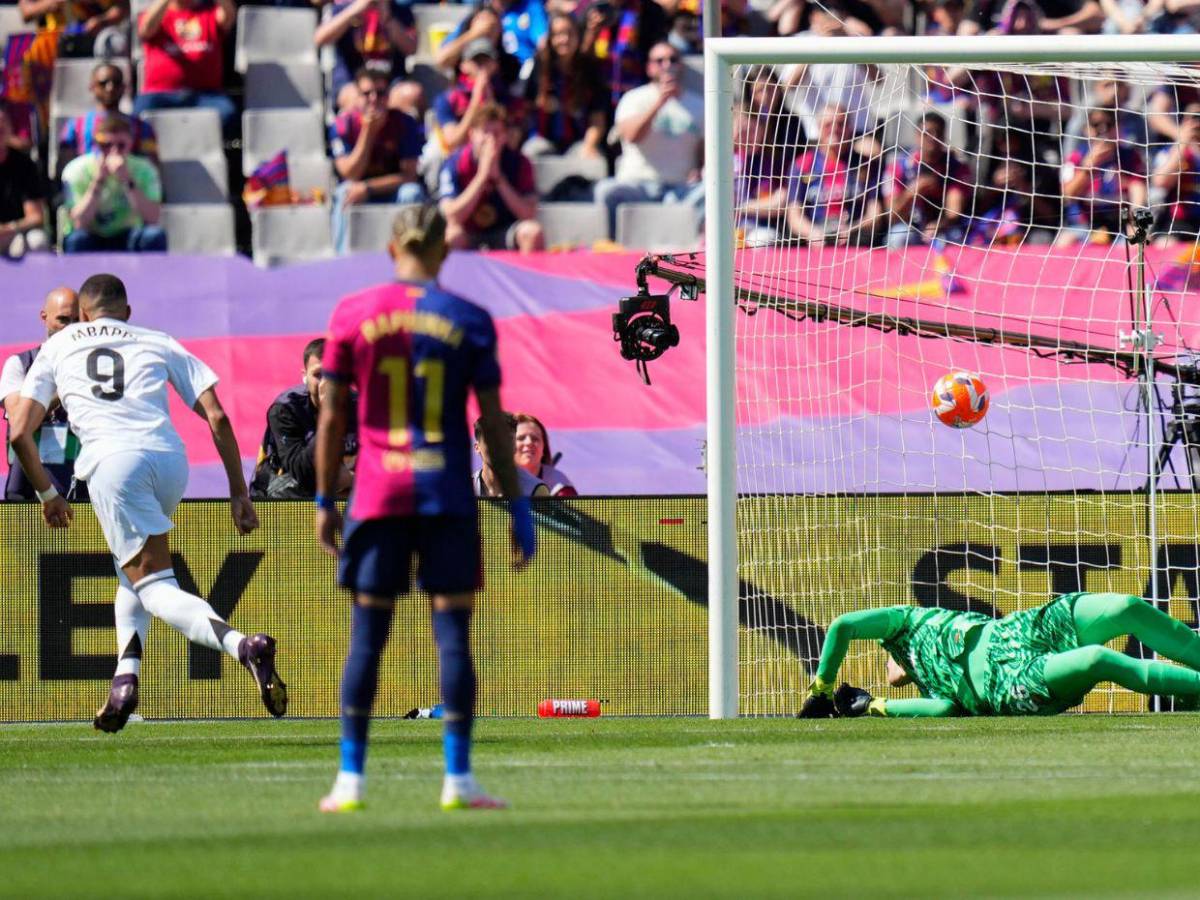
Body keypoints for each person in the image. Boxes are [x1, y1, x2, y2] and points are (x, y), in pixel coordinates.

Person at [313, 204, 537, 813]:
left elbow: (331, 417)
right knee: (453, 637)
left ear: (392, 249)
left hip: (377, 495)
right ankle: (458, 780)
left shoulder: (352, 314)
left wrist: (324, 500)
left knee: (367, 638)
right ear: (445, 250)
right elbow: (493, 423)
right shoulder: (470, 318)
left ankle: (350, 781)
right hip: (445, 495)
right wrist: (518, 507)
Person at [8, 273, 288, 733]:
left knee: (156, 587)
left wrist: (48, 493)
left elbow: (19, 432)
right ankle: (125, 679)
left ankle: (243, 646)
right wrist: (239, 491)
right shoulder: (156, 339)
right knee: (133, 572)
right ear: (128, 312)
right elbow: (217, 416)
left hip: (114, 464)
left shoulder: (59, 346)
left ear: (82, 314)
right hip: (169, 461)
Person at [799, 592, 1200, 718]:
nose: (887, 661)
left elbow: (843, 626)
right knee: (1098, 660)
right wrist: (874, 705)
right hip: (1006, 684)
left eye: (884, 655)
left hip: (1016, 631)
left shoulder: (904, 623)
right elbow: (943, 710)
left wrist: (821, 689)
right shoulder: (936, 691)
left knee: (1125, 607)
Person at [591, 42, 704, 237]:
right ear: (649, 68)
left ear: (681, 66)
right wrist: (660, 102)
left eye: (673, 60)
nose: (667, 65)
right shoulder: (633, 99)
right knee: (606, 190)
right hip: (637, 186)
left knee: (714, 192)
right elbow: (632, 136)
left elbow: (705, 151)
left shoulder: (700, 105)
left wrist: (700, 170)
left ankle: (699, 248)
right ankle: (613, 247)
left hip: (680, 190)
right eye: (660, 60)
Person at [1, 287, 87, 501]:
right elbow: (20, 420)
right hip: (26, 492)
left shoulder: (92, 369)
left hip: (81, 492)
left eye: (76, 321)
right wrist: (64, 388)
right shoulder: (20, 364)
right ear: (44, 317)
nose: (70, 328)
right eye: (63, 320)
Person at [330, 67, 426, 254]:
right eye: (367, 94)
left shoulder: (404, 123)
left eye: (380, 93)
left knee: (412, 193)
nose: (374, 99)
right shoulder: (343, 125)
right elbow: (350, 173)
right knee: (343, 193)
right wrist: (368, 132)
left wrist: (368, 187)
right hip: (356, 191)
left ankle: (413, 257)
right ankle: (341, 260)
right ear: (357, 97)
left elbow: (409, 176)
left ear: (388, 96)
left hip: (391, 190)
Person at [250, 338, 358, 499]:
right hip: (282, 488)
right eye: (318, 375)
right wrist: (328, 412)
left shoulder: (360, 406)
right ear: (305, 376)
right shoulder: (285, 409)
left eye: (333, 374)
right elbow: (302, 472)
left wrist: (351, 479)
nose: (326, 383)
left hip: (341, 484)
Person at [439, 102, 544, 252]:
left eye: (496, 133)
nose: (490, 140)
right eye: (485, 133)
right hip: (469, 232)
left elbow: (528, 213)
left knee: (532, 232)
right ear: (472, 134)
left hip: (505, 230)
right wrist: (481, 177)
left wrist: (499, 179)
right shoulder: (455, 163)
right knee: (451, 236)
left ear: (505, 136)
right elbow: (451, 215)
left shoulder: (520, 163)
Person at [61, 114, 167, 253]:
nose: (114, 151)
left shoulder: (145, 170)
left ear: (130, 143)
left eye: (121, 145)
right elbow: (79, 222)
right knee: (77, 240)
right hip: (91, 235)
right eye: (106, 145)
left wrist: (128, 181)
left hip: (128, 234)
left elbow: (152, 218)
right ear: (96, 144)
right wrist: (98, 181)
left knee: (154, 236)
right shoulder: (76, 170)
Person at [135, 0, 237, 136]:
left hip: (205, 95)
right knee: (139, 118)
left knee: (227, 113)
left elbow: (229, 17)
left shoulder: (210, 13)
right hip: (159, 94)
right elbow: (146, 29)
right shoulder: (157, 14)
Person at [877, 111, 972, 248]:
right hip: (910, 227)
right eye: (927, 133)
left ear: (944, 136)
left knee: (953, 237)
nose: (932, 138)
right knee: (898, 237)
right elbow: (891, 215)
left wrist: (939, 225)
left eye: (938, 133)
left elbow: (954, 211)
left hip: (943, 227)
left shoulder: (956, 168)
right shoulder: (899, 167)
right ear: (917, 136)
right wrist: (912, 192)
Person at [522, 12, 610, 159]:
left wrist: (589, 146)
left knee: (594, 161)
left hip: (579, 141)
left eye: (570, 33)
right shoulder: (540, 66)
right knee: (530, 154)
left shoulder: (590, 70)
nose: (565, 39)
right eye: (558, 34)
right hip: (543, 139)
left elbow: (597, 118)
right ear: (550, 38)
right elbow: (526, 107)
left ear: (578, 36)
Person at [1058, 106, 1147, 246]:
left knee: (1137, 241)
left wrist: (1135, 223)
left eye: (1109, 124)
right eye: (1096, 125)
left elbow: (1138, 191)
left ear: (1118, 128)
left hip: (1120, 223)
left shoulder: (1130, 157)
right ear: (1086, 129)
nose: (1103, 129)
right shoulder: (1076, 157)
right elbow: (1067, 195)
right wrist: (1088, 168)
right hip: (1086, 224)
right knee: (1065, 242)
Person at [58, 63, 158, 174]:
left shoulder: (143, 127)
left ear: (124, 87)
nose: (110, 88)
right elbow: (66, 171)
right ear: (92, 87)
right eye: (103, 83)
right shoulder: (75, 126)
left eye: (116, 82)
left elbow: (152, 168)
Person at [313, 0, 418, 100]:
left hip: (392, 82)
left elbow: (411, 49)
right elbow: (320, 39)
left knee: (411, 94)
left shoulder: (401, 11)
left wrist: (387, 18)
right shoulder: (341, 9)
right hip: (351, 80)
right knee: (355, 97)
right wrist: (354, 11)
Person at [0, 107, 49, 259]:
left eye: (2, 127)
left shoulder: (25, 165)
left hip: (14, 233)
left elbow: (36, 216)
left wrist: (9, 228)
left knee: (38, 242)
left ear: (10, 129)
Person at [473, 412, 550, 497]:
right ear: (477, 447)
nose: (500, 445)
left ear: (515, 446)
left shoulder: (535, 489)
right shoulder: (465, 488)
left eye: (507, 439)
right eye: (491, 439)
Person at [512, 412, 575, 496]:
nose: (529, 442)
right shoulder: (496, 484)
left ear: (543, 448)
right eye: (521, 438)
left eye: (535, 438)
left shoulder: (561, 488)